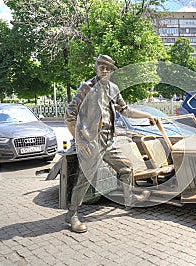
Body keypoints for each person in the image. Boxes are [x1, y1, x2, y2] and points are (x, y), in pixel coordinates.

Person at [64, 54, 154, 233]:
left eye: (107, 68)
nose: (104, 70)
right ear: (96, 68)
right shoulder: (86, 88)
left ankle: (129, 200)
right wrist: (79, 141)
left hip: (108, 139)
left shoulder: (113, 88)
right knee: (84, 178)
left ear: (112, 71)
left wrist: (148, 116)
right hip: (92, 140)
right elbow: (69, 115)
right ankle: (72, 215)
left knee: (126, 168)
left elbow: (125, 110)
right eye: (100, 66)